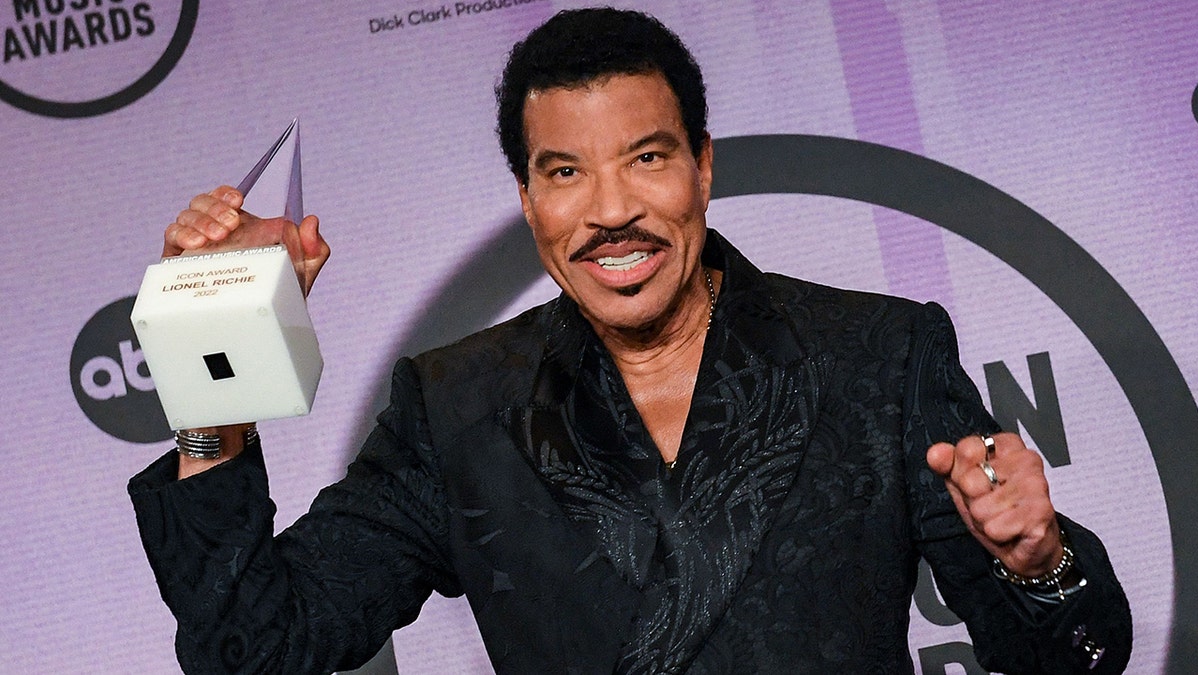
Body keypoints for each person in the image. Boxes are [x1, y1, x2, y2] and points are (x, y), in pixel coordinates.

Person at [130, 8, 1131, 674]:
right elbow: (254, 650)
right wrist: (210, 374)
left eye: (646, 159)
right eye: (564, 174)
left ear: (702, 168)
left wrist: (1037, 561)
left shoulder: (876, 355)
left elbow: (1071, 655)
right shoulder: (460, 405)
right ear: (527, 202)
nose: (610, 211)